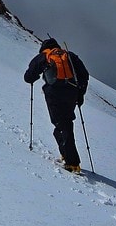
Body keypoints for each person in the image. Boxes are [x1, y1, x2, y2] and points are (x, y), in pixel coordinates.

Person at [24, 38, 90, 173]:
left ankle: (72, 162)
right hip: (71, 92)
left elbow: (28, 77)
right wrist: (80, 95)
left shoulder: (44, 56)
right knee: (65, 124)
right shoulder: (69, 56)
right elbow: (84, 75)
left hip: (54, 93)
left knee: (62, 125)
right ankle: (67, 154)